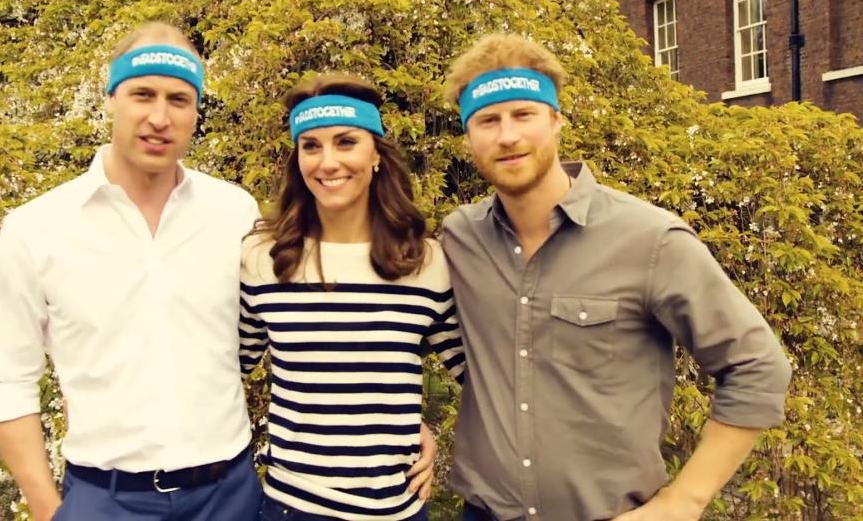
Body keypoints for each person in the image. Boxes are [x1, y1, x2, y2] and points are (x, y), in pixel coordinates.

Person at [439, 34, 792, 521]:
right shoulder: (460, 239)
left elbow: (757, 365)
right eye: (488, 120)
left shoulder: (649, 239)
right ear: (468, 137)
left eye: (524, 115)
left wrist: (683, 502)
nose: (507, 136)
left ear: (557, 120)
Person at [0, 22, 263, 520]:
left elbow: (295, 325)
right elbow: (7, 382)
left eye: (178, 99)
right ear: (110, 98)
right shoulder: (36, 227)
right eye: (142, 94)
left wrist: (399, 419)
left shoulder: (234, 213)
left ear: (196, 110)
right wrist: (50, 510)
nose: (159, 116)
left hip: (228, 494)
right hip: (104, 499)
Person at [239, 73, 466, 521]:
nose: (327, 162)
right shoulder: (263, 258)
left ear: (376, 155)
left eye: (346, 142)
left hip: (396, 511)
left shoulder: (425, 262)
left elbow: (483, 381)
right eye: (311, 146)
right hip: (293, 507)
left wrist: (414, 428)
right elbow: (224, 374)